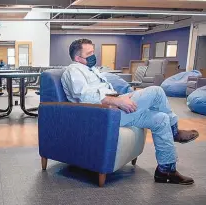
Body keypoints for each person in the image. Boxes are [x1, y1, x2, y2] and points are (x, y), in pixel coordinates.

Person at [61, 38, 199, 185]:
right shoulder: (73, 70)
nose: (93, 56)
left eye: (93, 52)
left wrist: (122, 97)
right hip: (102, 114)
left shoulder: (91, 70)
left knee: (161, 119)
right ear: (77, 58)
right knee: (157, 92)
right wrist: (118, 101)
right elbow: (84, 96)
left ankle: (166, 170)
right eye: (89, 53)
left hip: (114, 107)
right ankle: (174, 131)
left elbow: (104, 92)